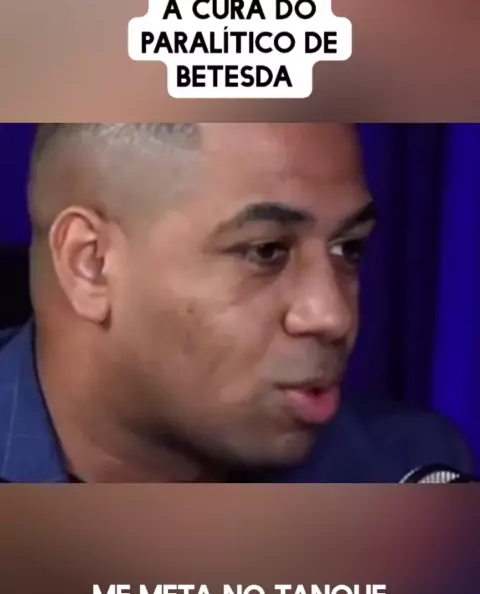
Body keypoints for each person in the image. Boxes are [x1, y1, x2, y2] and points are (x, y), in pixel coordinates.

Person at [0, 123, 474, 482]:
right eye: (266, 252)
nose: (332, 315)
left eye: (348, 248)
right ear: (92, 265)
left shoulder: (408, 471)